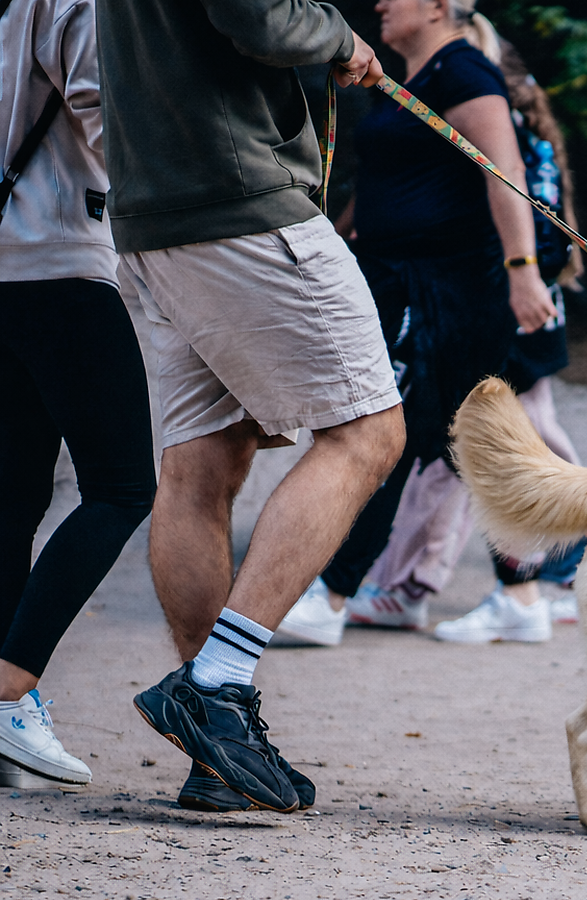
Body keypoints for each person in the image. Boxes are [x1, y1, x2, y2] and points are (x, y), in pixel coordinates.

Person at [97, 0, 405, 813]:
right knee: (369, 431)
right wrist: (338, 35)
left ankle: (215, 753)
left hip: (152, 212)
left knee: (201, 465)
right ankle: (218, 684)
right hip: (237, 199)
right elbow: (260, 16)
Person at [276, 45, 587, 646]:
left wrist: (524, 274)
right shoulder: (410, 75)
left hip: (453, 297)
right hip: (413, 289)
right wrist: (337, 237)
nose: (383, 4)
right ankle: (509, 596)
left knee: (416, 438)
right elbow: (389, 183)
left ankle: (339, 594)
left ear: (438, 5)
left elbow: (506, 177)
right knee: (453, 442)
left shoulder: (463, 72)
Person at [0, 0, 156, 791]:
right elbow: (109, 124)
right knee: (123, 487)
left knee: (14, 495)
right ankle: (9, 686)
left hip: (5, 268)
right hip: (61, 260)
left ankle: (5, 709)